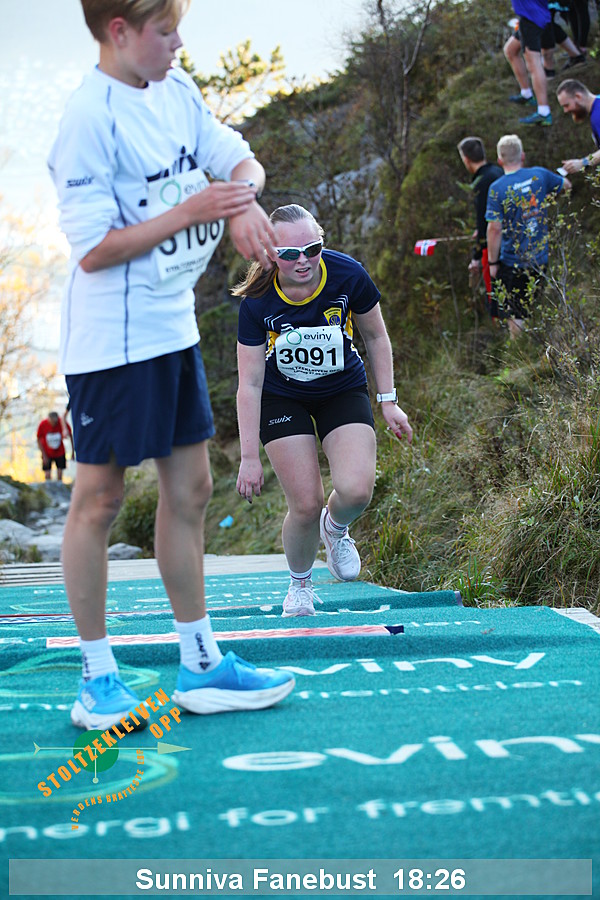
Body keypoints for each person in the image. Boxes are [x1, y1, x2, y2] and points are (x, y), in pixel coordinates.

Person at [47, 0, 294, 731]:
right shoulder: (88, 119)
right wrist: (196, 210)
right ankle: (97, 677)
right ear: (118, 31)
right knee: (99, 499)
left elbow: (239, 158)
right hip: (111, 340)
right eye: (165, 30)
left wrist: (239, 201)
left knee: (191, 487)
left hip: (171, 324)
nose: (179, 42)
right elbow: (94, 250)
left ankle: (201, 665)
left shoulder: (176, 88)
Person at [233, 204, 413, 617]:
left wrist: (388, 401)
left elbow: (376, 336)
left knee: (356, 490)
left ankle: (335, 527)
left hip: (341, 388)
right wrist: (248, 457)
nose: (303, 261)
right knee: (305, 503)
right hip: (283, 397)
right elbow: (250, 383)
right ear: (269, 252)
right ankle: (299, 586)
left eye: (312, 249)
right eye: (289, 254)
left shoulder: (348, 274)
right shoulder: (258, 301)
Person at [486, 134, 571, 338]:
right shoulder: (539, 175)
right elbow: (567, 185)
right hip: (540, 257)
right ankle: (542, 343)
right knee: (535, 304)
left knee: (516, 312)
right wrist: (548, 197)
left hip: (512, 261)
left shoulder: (497, 188)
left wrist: (492, 263)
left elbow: (494, 229)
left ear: (500, 160)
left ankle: (520, 351)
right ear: (522, 155)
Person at [457, 137, 503, 318]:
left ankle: (502, 327)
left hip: (494, 246)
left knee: (495, 296)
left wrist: (476, 257)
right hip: (511, 240)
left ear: (466, 159)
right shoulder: (497, 171)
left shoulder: (482, 182)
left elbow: (485, 220)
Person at [505, 1, 553, 126]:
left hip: (531, 17)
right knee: (510, 50)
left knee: (533, 63)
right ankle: (526, 95)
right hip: (537, 14)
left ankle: (544, 112)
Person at [556, 78, 600, 172]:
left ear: (578, 96)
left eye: (566, 105)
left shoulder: (598, 115)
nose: (565, 110)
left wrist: (582, 163)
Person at [36, 411, 73, 482]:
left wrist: (72, 451)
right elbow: (38, 439)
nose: (53, 424)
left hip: (60, 452)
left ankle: (59, 487)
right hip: (47, 453)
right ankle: (48, 488)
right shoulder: (43, 424)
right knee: (47, 475)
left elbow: (70, 435)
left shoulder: (62, 423)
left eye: (54, 422)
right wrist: (43, 455)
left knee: (60, 475)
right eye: (51, 422)